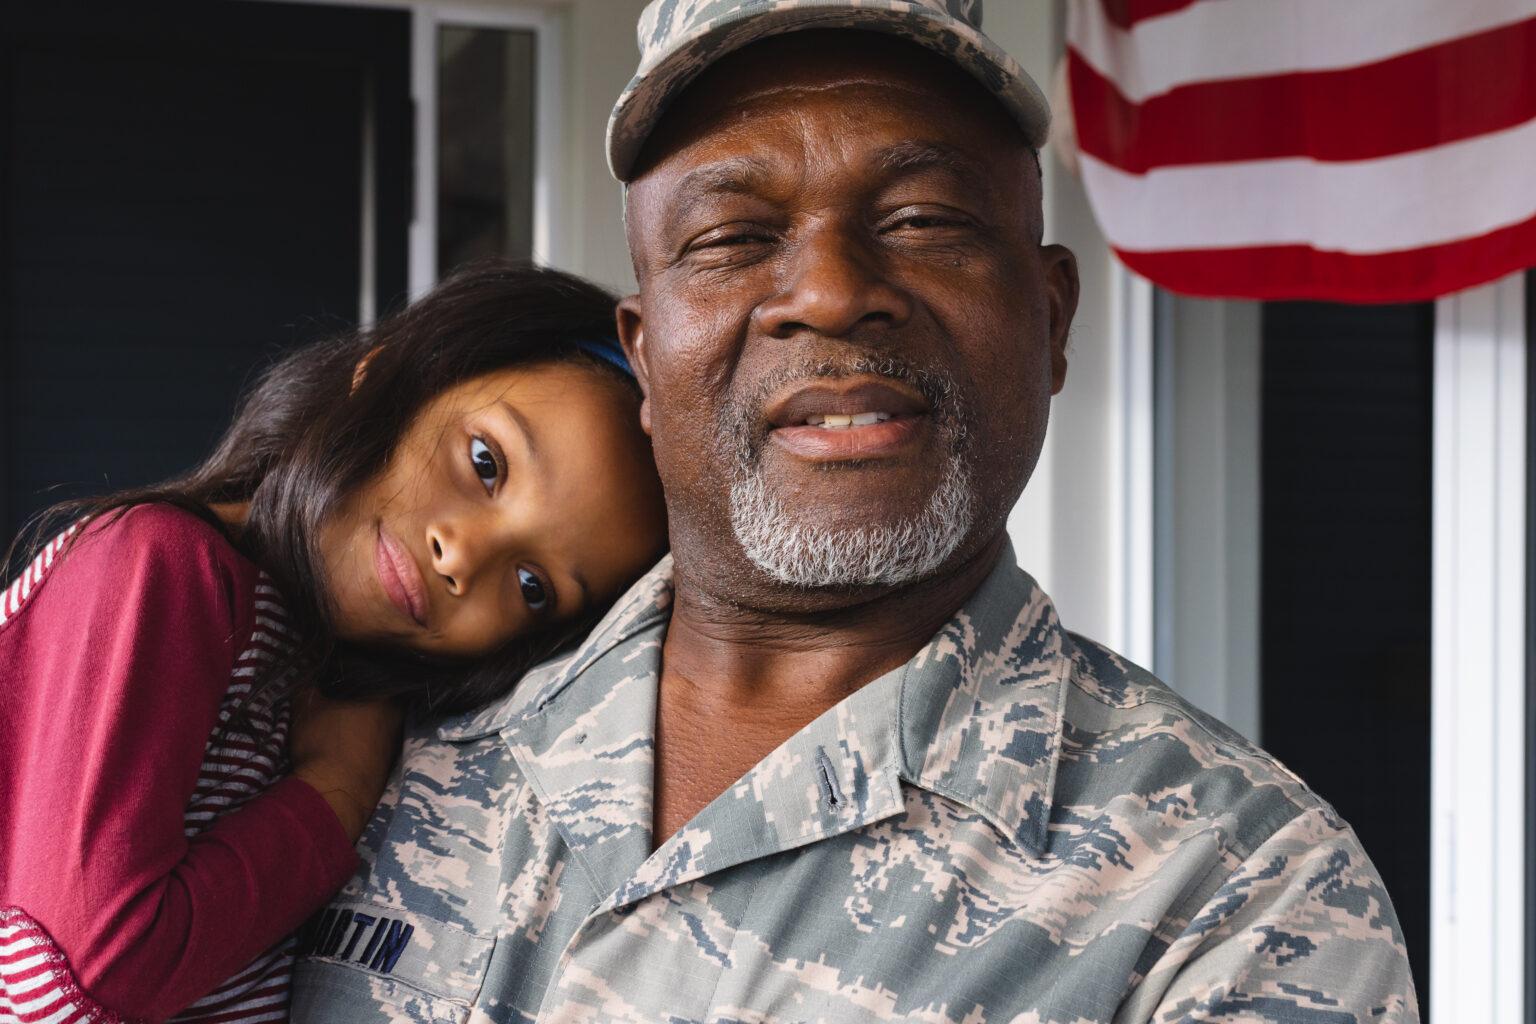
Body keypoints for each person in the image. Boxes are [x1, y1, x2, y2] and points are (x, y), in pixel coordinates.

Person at [292, 3, 1420, 1022]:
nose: (830, 292)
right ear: (646, 356)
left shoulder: (1237, 892)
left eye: (925, 219)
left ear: (1051, 315)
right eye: (733, 237)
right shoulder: (376, 740)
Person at [0, 261, 667, 1022]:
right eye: (485, 463)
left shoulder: (327, 695)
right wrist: (334, 794)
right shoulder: (161, 566)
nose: (464, 556)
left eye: (532, 587)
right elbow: (74, 974)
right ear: (383, 376)